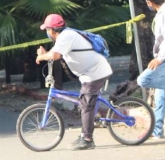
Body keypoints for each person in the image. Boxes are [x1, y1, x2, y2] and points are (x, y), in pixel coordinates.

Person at [36, 14, 113, 150]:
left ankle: (87, 139)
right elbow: (54, 54)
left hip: (95, 73)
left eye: (47, 30)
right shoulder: (64, 37)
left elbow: (54, 56)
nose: (47, 33)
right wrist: (45, 53)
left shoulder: (67, 36)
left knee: (86, 104)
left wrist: (42, 56)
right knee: (85, 103)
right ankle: (86, 131)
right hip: (90, 74)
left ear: (52, 30)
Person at [136, 0, 165, 139]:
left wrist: (160, 58)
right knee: (160, 97)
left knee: (143, 79)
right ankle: (157, 131)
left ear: (149, 2)